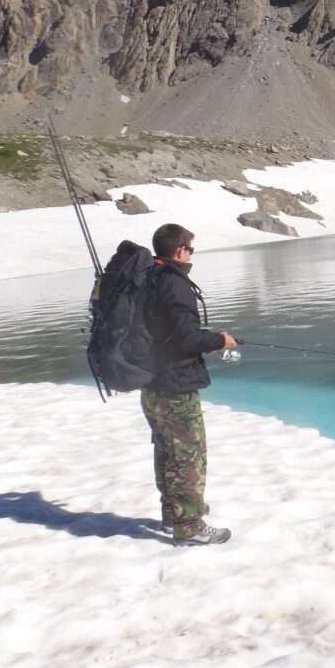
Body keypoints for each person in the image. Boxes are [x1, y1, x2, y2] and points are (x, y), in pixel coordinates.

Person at [142, 223, 237, 546]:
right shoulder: (174, 284)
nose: (191, 255)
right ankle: (190, 526)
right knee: (188, 456)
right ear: (180, 250)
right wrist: (220, 340)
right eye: (191, 249)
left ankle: (173, 515)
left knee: (167, 452)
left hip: (151, 383)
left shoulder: (147, 278)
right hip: (176, 386)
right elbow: (186, 338)